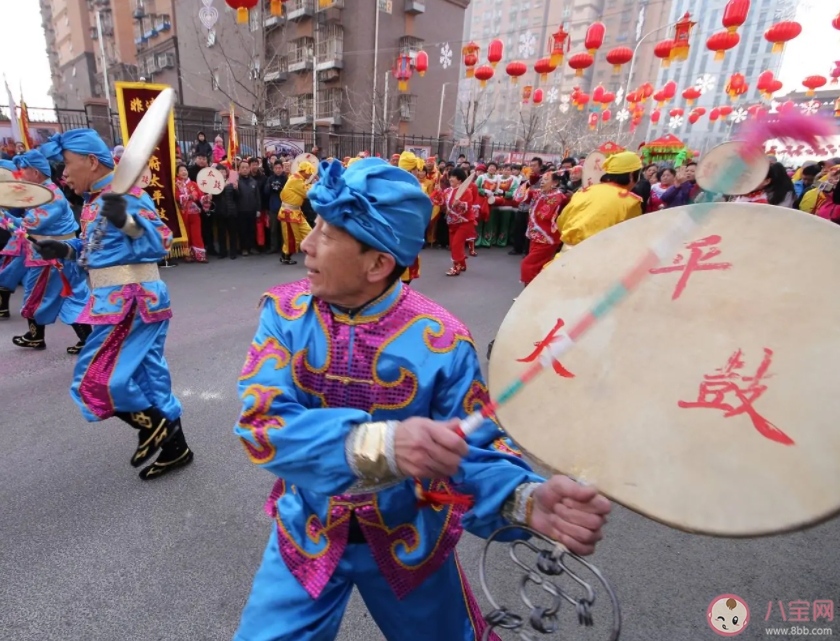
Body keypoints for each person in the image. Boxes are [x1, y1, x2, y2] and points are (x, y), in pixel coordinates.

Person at [232, 157, 610, 641]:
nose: (306, 242)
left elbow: (476, 450)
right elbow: (261, 426)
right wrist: (380, 447)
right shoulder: (284, 314)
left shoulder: (443, 342)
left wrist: (525, 498)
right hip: (305, 533)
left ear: (378, 264)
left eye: (326, 233)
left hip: (411, 542)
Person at [35, 128, 193, 480]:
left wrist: (125, 218)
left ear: (91, 162)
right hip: (126, 301)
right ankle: (175, 448)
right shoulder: (95, 200)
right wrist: (64, 248)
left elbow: (160, 241)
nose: (64, 174)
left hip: (130, 302)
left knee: (94, 378)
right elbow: (97, 248)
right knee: (149, 375)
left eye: (68, 165)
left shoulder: (124, 195)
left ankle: (151, 426)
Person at [6, 150, 91, 351]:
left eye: (23, 170)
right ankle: (85, 340)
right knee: (68, 295)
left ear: (35, 172)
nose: (20, 174)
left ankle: (36, 336)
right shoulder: (44, 192)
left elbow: (28, 225)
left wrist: (4, 218)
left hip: (50, 256)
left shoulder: (50, 196)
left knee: (39, 295)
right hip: (54, 254)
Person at [554, 151, 644, 249]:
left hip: (565, 257)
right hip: (600, 257)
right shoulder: (631, 201)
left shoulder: (585, 191)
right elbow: (628, 237)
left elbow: (561, 222)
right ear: (631, 175)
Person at [520, 171, 568, 286]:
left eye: (546, 180)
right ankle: (535, 291)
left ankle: (528, 292)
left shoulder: (560, 198)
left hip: (548, 239)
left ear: (555, 182)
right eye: (542, 179)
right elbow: (518, 197)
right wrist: (528, 183)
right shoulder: (537, 193)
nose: (542, 182)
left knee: (527, 265)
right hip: (534, 237)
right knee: (539, 267)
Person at [0, 161, 27, 319]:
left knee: (9, 270)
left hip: (20, 237)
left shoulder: (24, 191)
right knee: (7, 270)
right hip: (15, 236)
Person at [278, 160, 315, 265]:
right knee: (292, 237)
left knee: (308, 232)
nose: (311, 174)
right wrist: (320, 185)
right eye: (309, 171)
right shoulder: (296, 180)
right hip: (288, 212)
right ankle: (286, 256)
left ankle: (313, 255)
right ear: (304, 171)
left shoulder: (298, 179)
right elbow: (307, 193)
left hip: (296, 212)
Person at [443, 167, 475, 276]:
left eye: (453, 177)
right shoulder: (447, 191)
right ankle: (462, 264)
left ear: (460, 180)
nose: (451, 179)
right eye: (450, 176)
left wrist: (460, 203)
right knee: (454, 245)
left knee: (456, 244)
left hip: (464, 222)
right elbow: (441, 202)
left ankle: (456, 267)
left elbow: (468, 206)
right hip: (452, 223)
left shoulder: (466, 191)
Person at [175, 163, 209, 262]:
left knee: (197, 234)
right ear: (177, 173)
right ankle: (187, 254)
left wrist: (205, 198)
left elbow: (200, 196)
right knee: (186, 234)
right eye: (181, 170)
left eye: (185, 170)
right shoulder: (176, 185)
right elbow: (176, 196)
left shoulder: (193, 184)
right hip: (183, 213)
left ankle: (200, 255)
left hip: (194, 213)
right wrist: (186, 197)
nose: (184, 172)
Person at [511, 157, 543, 256]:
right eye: (531, 165)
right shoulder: (525, 177)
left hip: (533, 208)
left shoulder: (543, 178)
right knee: (518, 228)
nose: (532, 168)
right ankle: (517, 248)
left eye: (535, 165)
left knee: (529, 231)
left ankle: (527, 251)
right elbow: (520, 190)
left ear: (540, 166)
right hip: (522, 206)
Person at [212, 163, 239, 259]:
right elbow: (214, 197)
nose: (222, 173)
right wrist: (222, 186)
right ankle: (222, 252)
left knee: (232, 233)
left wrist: (236, 189)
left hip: (231, 211)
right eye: (220, 172)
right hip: (220, 212)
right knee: (221, 233)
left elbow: (236, 198)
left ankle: (233, 252)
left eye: (223, 172)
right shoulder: (214, 185)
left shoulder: (231, 183)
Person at [235, 159, 260, 256]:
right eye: (242, 168)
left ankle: (252, 247)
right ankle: (244, 248)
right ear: (239, 169)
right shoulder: (236, 182)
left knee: (252, 230)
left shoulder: (253, 182)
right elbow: (235, 197)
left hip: (252, 210)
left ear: (249, 169)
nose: (245, 169)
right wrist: (235, 189)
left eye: (246, 167)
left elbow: (257, 197)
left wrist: (258, 209)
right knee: (243, 230)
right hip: (241, 210)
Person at [263, 160, 287, 254]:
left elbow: (289, 191)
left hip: (284, 207)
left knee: (283, 230)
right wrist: (271, 186)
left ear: (282, 168)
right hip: (273, 207)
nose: (278, 170)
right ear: (273, 169)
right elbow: (266, 192)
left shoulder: (286, 178)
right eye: (276, 168)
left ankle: (284, 247)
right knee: (273, 229)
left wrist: (281, 188)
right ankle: (273, 247)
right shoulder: (270, 178)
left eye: (279, 168)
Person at [475, 162, 500, 248]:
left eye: (494, 167)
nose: (492, 168)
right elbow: (475, 188)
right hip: (481, 202)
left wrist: (494, 194)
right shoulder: (481, 177)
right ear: (487, 168)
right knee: (479, 220)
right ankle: (477, 241)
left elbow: (497, 190)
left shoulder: (497, 179)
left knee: (489, 221)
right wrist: (484, 191)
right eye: (491, 167)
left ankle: (486, 241)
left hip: (491, 202)